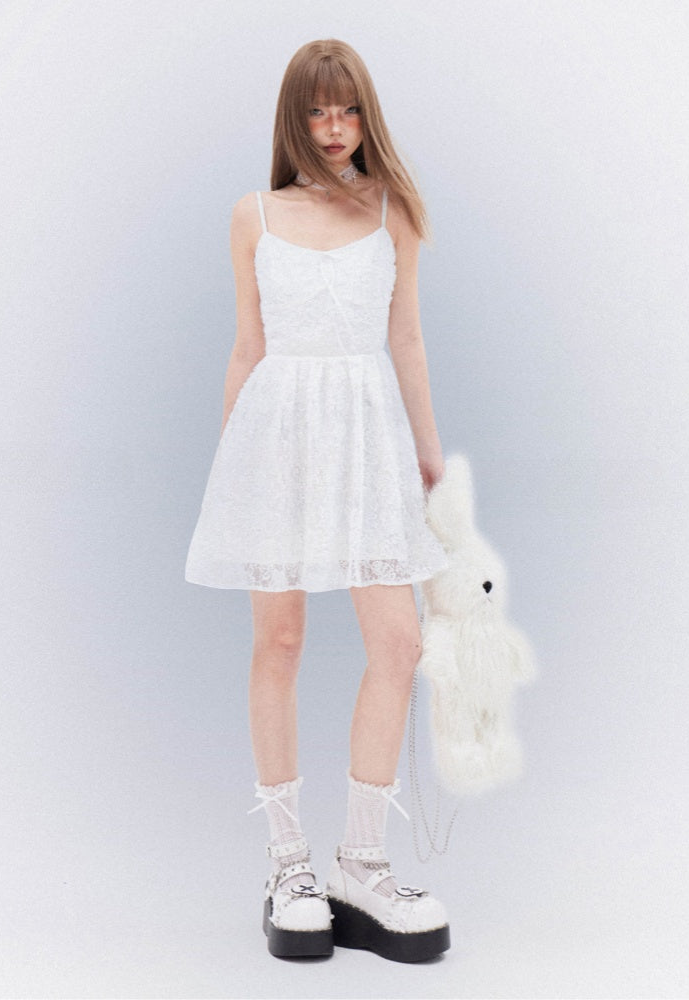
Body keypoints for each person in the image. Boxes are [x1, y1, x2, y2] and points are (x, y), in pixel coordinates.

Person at [185, 38, 451, 963]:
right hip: (278, 437)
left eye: (348, 110)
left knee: (399, 643)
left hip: (368, 436)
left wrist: (427, 450)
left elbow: (406, 337)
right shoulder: (253, 215)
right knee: (282, 640)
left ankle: (361, 864)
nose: (334, 128)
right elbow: (247, 345)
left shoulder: (393, 210)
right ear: (294, 118)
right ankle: (289, 865)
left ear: (365, 116)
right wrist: (234, 464)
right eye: (316, 110)